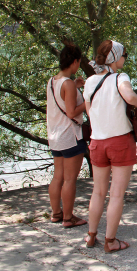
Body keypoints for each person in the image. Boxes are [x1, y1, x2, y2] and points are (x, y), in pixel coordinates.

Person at [83, 40, 137, 253]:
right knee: (116, 194)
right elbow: (129, 96)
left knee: (98, 192)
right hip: (120, 141)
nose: (125, 58)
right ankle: (110, 241)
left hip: (97, 141)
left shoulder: (90, 81)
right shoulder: (121, 77)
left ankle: (91, 236)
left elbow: (90, 112)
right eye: (124, 54)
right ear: (116, 57)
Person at [46, 44, 88, 228]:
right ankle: (68, 217)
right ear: (75, 61)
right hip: (70, 136)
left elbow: (62, 102)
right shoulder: (68, 84)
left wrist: (76, 86)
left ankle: (56, 213)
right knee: (70, 179)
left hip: (55, 136)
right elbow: (72, 112)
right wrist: (88, 100)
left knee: (58, 177)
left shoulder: (52, 80)